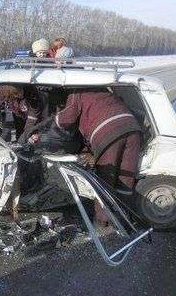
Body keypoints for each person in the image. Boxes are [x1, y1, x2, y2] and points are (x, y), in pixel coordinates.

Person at [34, 89, 142, 225]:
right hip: (133, 129)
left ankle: (103, 219)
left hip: (108, 131)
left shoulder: (76, 93)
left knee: (106, 177)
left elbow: (66, 118)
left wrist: (45, 127)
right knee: (126, 177)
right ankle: (126, 217)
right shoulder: (104, 90)